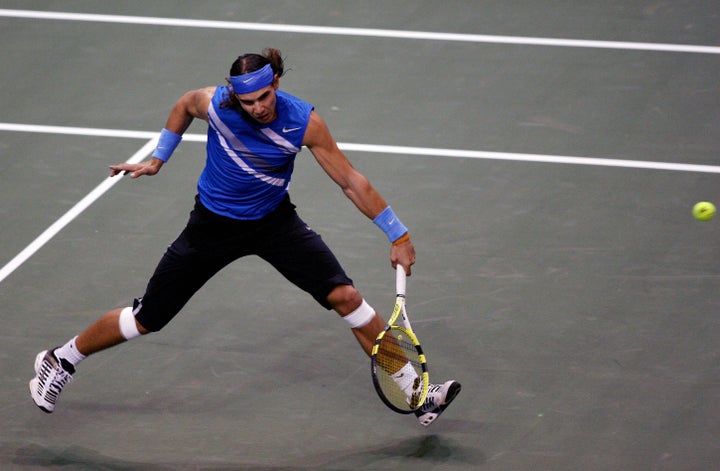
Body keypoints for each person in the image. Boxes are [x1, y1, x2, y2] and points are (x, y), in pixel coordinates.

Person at [29, 48, 460, 426]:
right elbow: (183, 105)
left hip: (275, 224)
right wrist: (160, 157)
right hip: (211, 228)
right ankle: (61, 358)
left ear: (275, 82)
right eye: (248, 101)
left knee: (346, 297)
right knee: (147, 318)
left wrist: (397, 233)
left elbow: (350, 181)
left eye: (264, 97)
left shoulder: (304, 122)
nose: (257, 108)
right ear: (235, 97)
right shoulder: (215, 104)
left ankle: (417, 394)